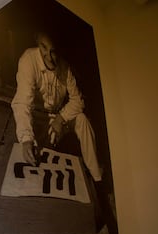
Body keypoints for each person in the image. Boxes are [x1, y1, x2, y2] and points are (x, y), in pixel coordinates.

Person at [11, 31, 102, 182]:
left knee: (82, 119)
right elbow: (22, 103)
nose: (48, 55)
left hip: (57, 117)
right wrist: (26, 139)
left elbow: (78, 101)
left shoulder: (65, 67)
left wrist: (60, 119)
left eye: (53, 51)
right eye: (44, 47)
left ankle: (96, 176)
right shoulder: (28, 59)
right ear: (38, 42)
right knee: (33, 158)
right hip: (36, 117)